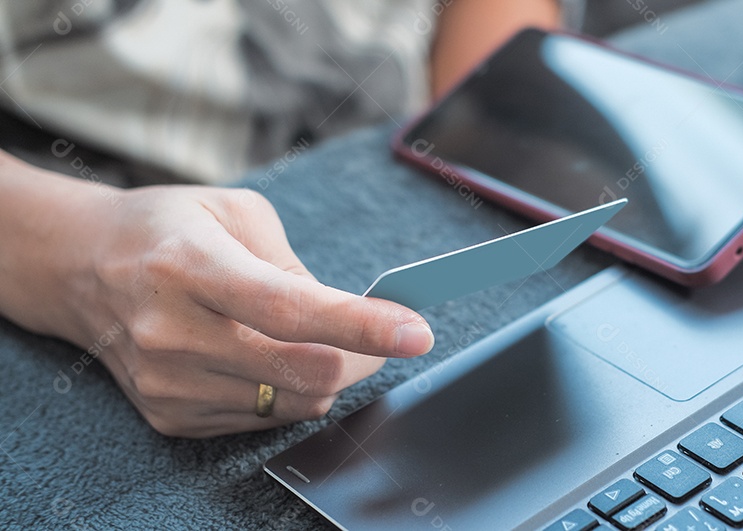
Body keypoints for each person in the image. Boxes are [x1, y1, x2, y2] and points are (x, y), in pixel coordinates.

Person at [0, 0, 580, 438]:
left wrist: (506, 120)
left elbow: (496, 39)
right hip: (82, 190)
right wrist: (78, 255)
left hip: (413, 157)